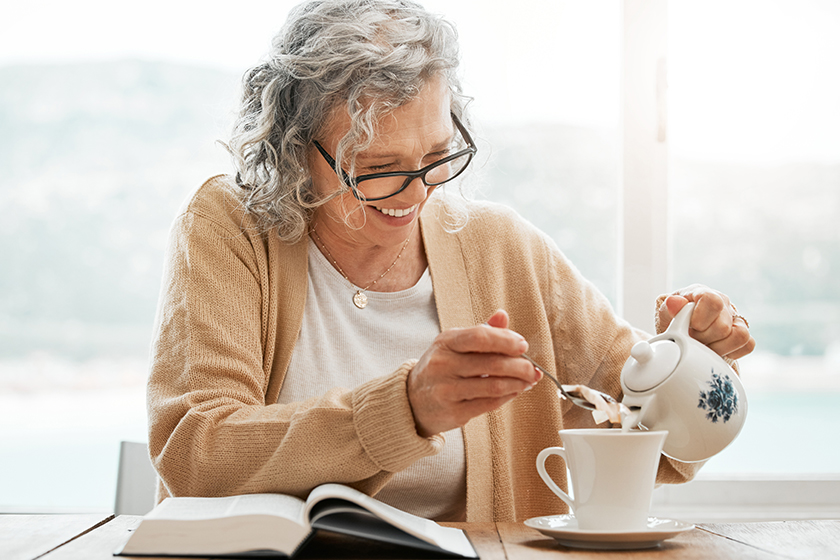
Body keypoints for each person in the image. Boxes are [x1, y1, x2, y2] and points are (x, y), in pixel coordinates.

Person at [147, 0, 755, 523]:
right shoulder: (231, 225)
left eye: (437, 156)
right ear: (290, 148)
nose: (416, 195)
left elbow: (660, 438)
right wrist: (406, 407)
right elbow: (194, 451)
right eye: (378, 170)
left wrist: (697, 369)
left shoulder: (502, 247)